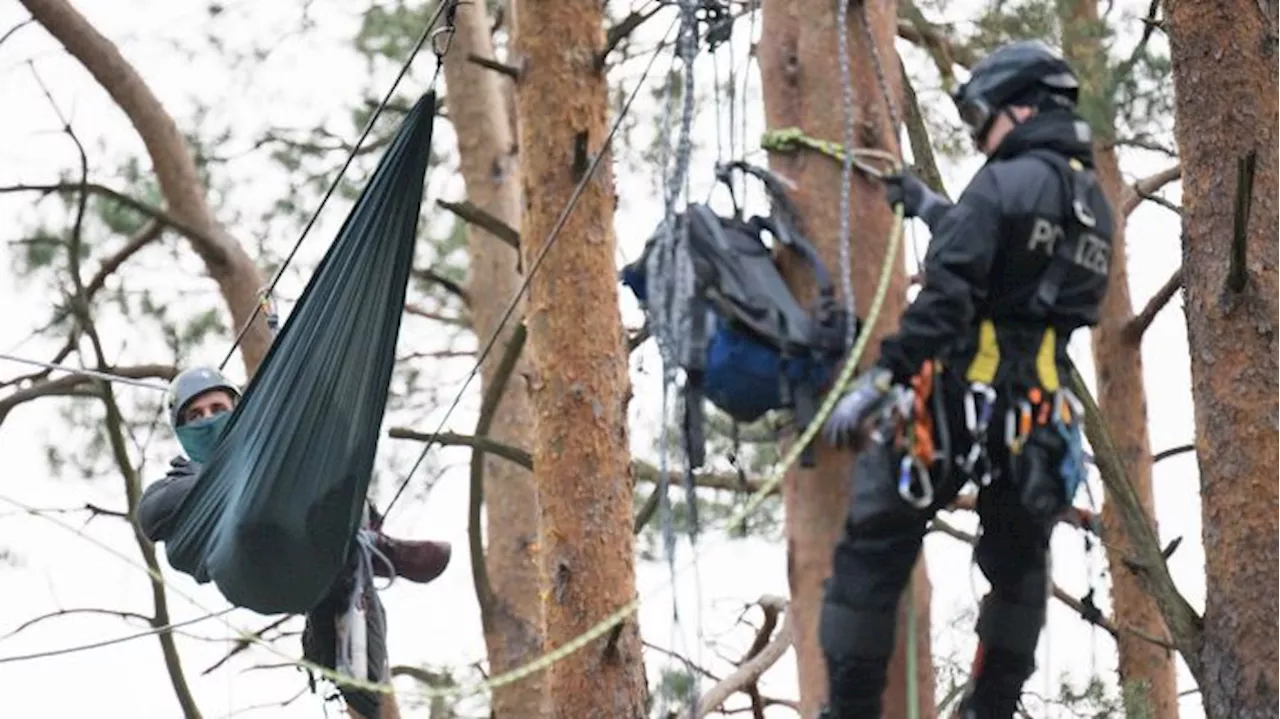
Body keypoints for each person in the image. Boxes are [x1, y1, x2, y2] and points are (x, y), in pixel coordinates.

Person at [817, 40, 1113, 719]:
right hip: (1037, 417)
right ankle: (991, 707)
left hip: (954, 406)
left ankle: (850, 709)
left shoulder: (1001, 183)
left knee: (874, 541)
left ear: (1024, 107)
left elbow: (949, 295)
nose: (980, 134)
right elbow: (1017, 271)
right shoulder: (1092, 205)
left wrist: (884, 378)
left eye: (984, 117)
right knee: (1019, 566)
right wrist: (927, 206)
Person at [138, 365, 452, 586]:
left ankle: (361, 550)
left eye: (218, 409)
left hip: (301, 544)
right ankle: (357, 549)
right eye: (195, 416)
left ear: (237, 413)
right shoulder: (174, 484)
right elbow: (151, 513)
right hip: (238, 560)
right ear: (182, 431)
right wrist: (230, 479)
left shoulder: (268, 457)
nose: (208, 420)